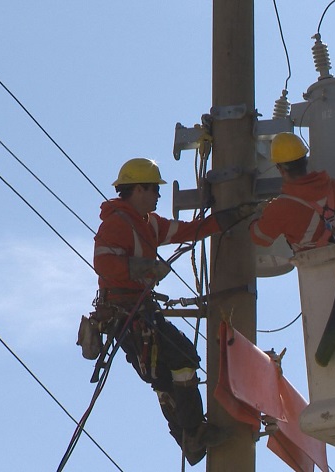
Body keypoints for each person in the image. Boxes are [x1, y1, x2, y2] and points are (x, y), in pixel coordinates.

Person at [93, 157, 250, 465]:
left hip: (141, 313)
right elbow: (104, 264)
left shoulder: (148, 223)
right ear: (138, 189)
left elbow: (189, 231)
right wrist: (143, 268)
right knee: (183, 357)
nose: (158, 196)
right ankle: (193, 432)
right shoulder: (115, 222)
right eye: (154, 190)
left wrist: (229, 217)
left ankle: (189, 437)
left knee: (166, 375)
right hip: (125, 314)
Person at [249, 132, 335, 253]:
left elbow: (260, 237)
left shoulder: (281, 208)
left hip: (316, 270)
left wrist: (258, 213)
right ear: (305, 161)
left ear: (280, 170)